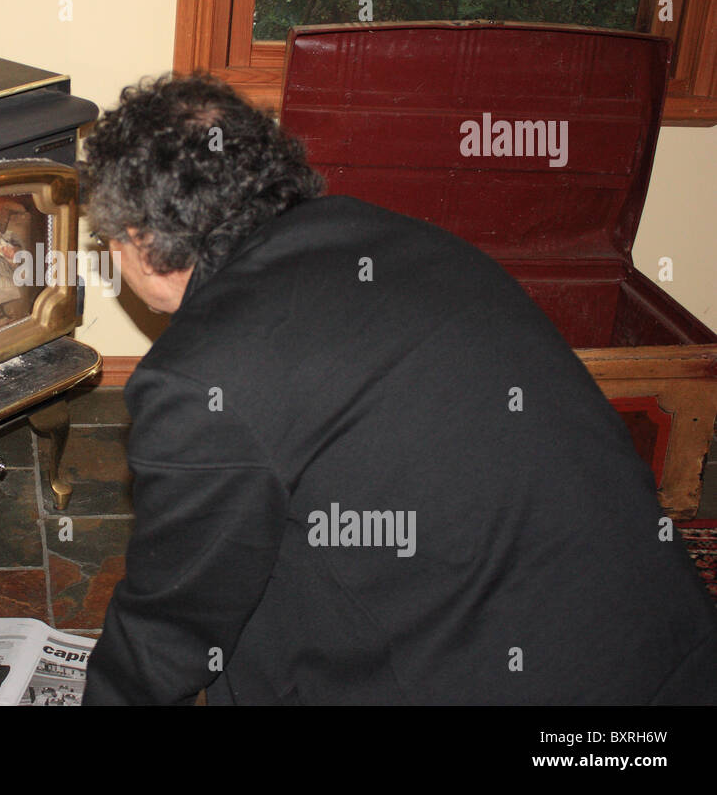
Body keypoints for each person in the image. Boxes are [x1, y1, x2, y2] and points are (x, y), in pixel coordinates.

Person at [78, 73, 717, 705]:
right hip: (669, 651)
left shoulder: (201, 377)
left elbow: (168, 628)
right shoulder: (413, 243)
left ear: (141, 239)